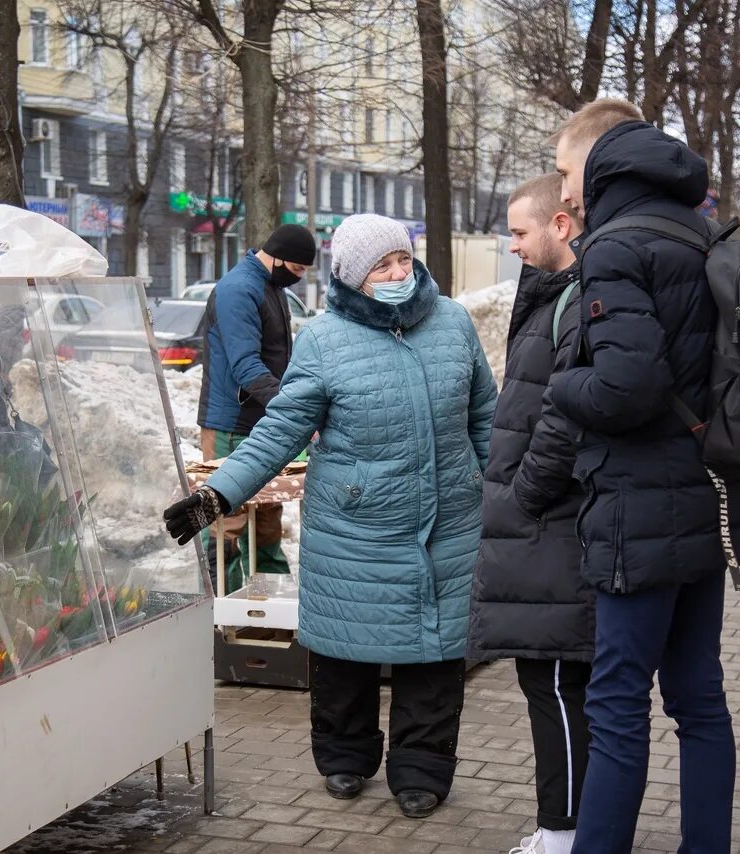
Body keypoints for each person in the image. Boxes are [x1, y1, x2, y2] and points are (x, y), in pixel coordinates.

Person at [165, 214, 497, 819]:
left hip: (448, 522)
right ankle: (345, 756)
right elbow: (279, 431)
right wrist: (219, 495)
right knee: (346, 650)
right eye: (381, 266)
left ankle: (422, 767)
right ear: (351, 275)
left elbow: (484, 419)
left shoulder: (452, 323)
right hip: (355, 526)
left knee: (438, 651)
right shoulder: (324, 338)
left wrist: (506, 491)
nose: (398, 274)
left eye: (403, 259)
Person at [546, 98, 740, 854]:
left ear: (602, 161)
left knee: (616, 707)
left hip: (638, 510)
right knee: (700, 699)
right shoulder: (698, 231)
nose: (563, 189)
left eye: (567, 170)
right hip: (710, 496)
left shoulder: (614, 246)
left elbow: (624, 389)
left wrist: (558, 383)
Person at [466, 174, 591, 854]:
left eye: (519, 231)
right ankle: (570, 827)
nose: (511, 245)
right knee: (551, 679)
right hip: (542, 523)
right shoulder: (552, 295)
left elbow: (562, 417)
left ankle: (563, 834)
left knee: (552, 679)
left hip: (551, 526)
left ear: (560, 226)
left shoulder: (572, 300)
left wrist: (521, 496)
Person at [196, 224, 316, 591]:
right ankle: (218, 610)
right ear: (277, 256)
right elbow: (247, 366)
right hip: (231, 424)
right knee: (227, 520)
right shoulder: (238, 289)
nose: (296, 278)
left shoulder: (271, 287)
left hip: (264, 422)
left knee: (266, 517)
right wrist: (294, 410)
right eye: (296, 270)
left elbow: (280, 358)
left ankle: (268, 609)